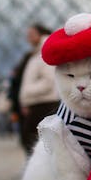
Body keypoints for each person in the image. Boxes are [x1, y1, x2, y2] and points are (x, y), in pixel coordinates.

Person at [18, 24, 59, 156]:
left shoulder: (43, 53)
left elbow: (49, 80)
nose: (28, 38)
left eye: (31, 34)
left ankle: (38, 169)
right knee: (33, 140)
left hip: (44, 103)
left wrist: (28, 92)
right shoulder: (36, 53)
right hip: (39, 102)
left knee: (31, 140)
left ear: (41, 34)